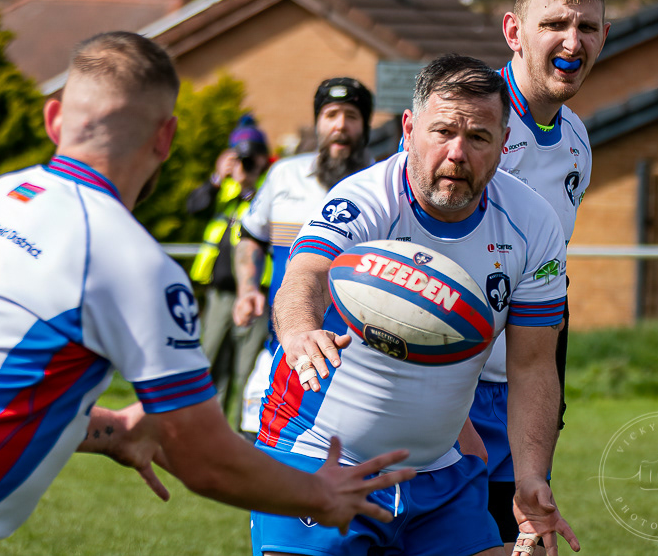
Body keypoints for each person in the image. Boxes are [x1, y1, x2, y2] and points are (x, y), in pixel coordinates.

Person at [0, 32, 416, 556]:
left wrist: (116, 431)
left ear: (53, 120)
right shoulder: (129, 259)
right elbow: (205, 459)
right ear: (165, 137)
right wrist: (324, 496)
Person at [252, 54, 581, 556]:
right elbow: (306, 274)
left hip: (440, 476)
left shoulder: (534, 224)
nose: (456, 154)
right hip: (317, 456)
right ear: (408, 129)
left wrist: (531, 479)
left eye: (478, 138)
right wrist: (300, 331)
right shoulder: (365, 198)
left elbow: (534, 365)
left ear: (503, 144)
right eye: (442, 132)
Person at [464, 0, 609, 554]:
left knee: (524, 542)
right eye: (554, 24)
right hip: (452, 391)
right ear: (514, 32)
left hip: (525, 391)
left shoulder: (576, 140)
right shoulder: (470, 127)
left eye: (589, 27)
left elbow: (551, 283)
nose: (573, 41)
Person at [232, 77, 374, 437]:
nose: (340, 125)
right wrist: (248, 288)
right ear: (317, 123)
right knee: (262, 465)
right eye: (330, 114)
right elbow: (250, 237)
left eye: (351, 116)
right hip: (282, 350)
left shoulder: (385, 184)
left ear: (366, 125)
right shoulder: (284, 175)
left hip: (357, 363)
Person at [187, 114, 271, 421]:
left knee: (245, 370)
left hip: (254, 295)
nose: (247, 165)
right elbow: (193, 207)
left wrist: (248, 186)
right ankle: (209, 430)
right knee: (210, 364)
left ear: (263, 159)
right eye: (241, 158)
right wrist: (216, 178)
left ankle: (238, 436)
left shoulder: (267, 190)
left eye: (252, 158)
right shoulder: (223, 189)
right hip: (219, 295)